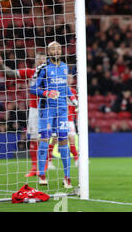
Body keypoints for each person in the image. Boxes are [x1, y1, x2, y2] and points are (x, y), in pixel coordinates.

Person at [29, 41, 78, 188]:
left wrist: (74, 100)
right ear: (48, 52)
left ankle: (67, 177)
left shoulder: (64, 67)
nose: (56, 51)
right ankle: (42, 175)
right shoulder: (43, 68)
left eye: (58, 49)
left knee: (64, 140)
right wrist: (46, 93)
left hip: (62, 109)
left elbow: (66, 88)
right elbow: (33, 89)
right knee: (44, 139)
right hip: (47, 109)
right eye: (53, 49)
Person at [0, 52, 46, 177]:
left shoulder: (51, 73)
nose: (40, 61)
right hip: (34, 110)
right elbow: (11, 73)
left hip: (48, 109)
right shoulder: (31, 72)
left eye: (43, 59)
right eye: (38, 59)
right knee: (33, 139)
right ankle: (34, 168)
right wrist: (1, 65)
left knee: (45, 138)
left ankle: (43, 166)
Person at [47, 75, 79, 169]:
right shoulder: (59, 89)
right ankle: (48, 162)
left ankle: (77, 160)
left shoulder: (73, 92)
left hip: (69, 119)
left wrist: (75, 118)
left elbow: (75, 107)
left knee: (72, 139)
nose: (69, 79)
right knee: (55, 139)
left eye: (71, 78)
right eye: (67, 78)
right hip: (59, 118)